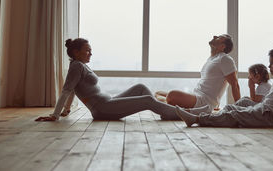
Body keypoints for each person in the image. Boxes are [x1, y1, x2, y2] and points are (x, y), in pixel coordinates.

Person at [35, 38, 210, 122]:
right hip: (102, 109)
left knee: (141, 87)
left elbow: (73, 90)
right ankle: (186, 114)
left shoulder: (80, 65)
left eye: (90, 50)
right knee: (148, 100)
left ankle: (168, 112)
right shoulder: (76, 66)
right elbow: (67, 90)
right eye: (87, 50)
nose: (90, 53)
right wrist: (55, 114)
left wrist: (67, 111)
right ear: (75, 52)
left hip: (108, 102)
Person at [175, 46, 273, 130]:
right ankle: (213, 116)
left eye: (272, 64)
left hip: (268, 117)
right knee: (239, 103)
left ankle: (196, 119)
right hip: (263, 109)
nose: (269, 67)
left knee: (233, 114)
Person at [155, 34, 240, 112]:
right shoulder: (211, 59)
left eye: (218, 37)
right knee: (158, 93)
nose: (214, 36)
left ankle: (177, 109)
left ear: (222, 46)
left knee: (171, 95)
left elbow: (235, 84)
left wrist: (239, 109)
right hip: (196, 96)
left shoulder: (225, 59)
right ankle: (180, 109)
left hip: (204, 101)